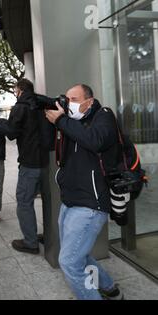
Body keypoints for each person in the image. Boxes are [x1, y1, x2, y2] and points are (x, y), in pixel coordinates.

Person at [45, 84, 123, 300]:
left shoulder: (103, 115)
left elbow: (96, 141)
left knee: (69, 262)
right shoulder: (70, 123)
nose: (69, 103)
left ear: (89, 101)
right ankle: (110, 288)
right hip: (69, 201)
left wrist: (62, 121)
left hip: (91, 204)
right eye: (67, 99)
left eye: (74, 98)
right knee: (79, 255)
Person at [0, 79, 49, 254]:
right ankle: (49, 235)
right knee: (47, 201)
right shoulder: (41, 105)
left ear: (20, 90)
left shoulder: (20, 107)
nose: (14, 92)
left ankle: (30, 242)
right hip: (45, 161)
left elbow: (12, 133)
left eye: (15, 89)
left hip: (29, 163)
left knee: (24, 202)